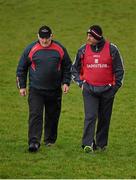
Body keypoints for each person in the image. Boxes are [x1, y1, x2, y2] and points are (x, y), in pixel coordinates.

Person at [16, 25, 72, 152]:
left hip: (54, 90)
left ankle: (50, 140)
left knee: (52, 116)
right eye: (42, 38)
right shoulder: (31, 49)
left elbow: (68, 66)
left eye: (47, 38)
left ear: (52, 36)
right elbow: (21, 68)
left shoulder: (60, 49)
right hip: (36, 90)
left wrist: (66, 82)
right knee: (35, 115)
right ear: (38, 36)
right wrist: (22, 86)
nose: (44, 41)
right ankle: (34, 142)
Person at [71, 25, 124, 153]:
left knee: (104, 117)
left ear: (97, 37)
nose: (88, 38)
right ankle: (87, 144)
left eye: (90, 36)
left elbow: (119, 70)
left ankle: (101, 144)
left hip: (107, 90)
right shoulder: (82, 50)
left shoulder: (112, 49)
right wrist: (81, 84)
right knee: (90, 116)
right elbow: (74, 69)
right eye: (87, 35)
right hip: (89, 89)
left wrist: (114, 88)